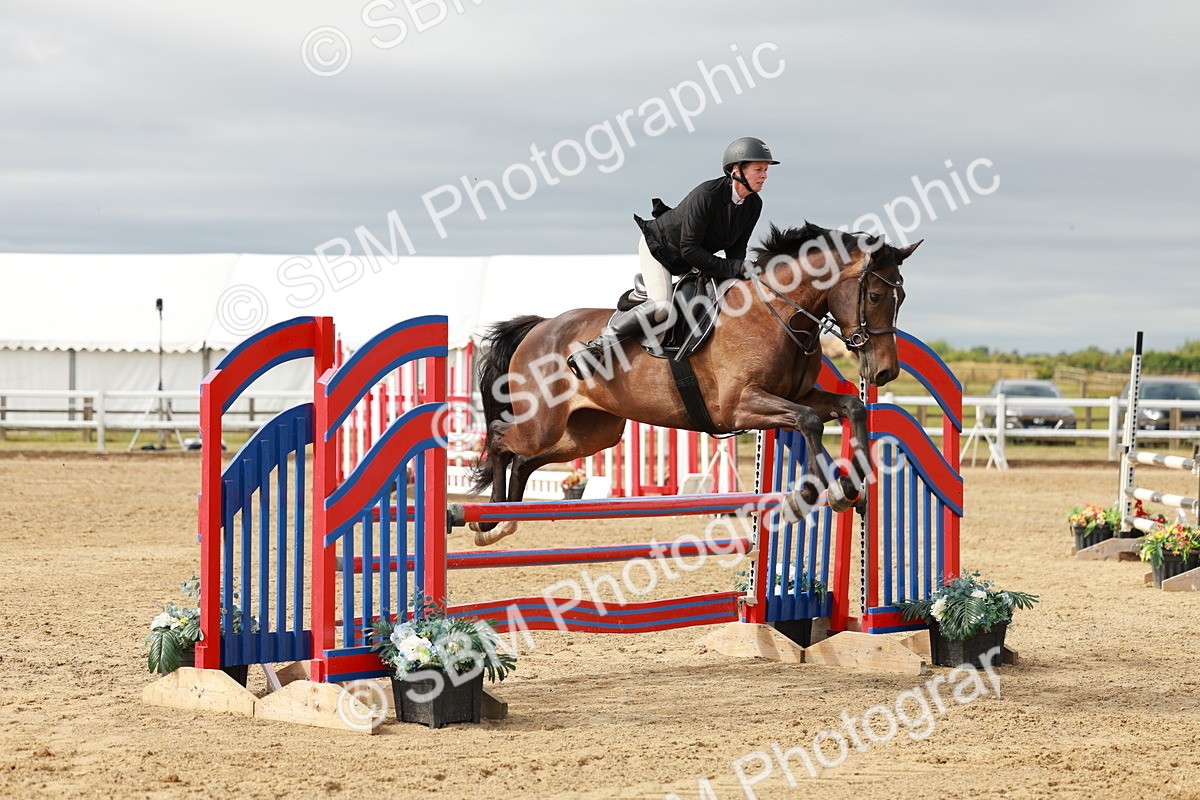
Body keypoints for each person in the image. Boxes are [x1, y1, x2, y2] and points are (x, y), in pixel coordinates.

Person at [567, 136, 778, 380]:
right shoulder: (707, 195)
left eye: (765, 170)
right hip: (661, 251)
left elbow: (736, 252)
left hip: (691, 259)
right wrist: (735, 266)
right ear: (736, 170)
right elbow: (689, 249)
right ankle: (597, 346)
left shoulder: (753, 205)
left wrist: (742, 274)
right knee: (661, 307)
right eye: (758, 170)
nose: (764, 176)